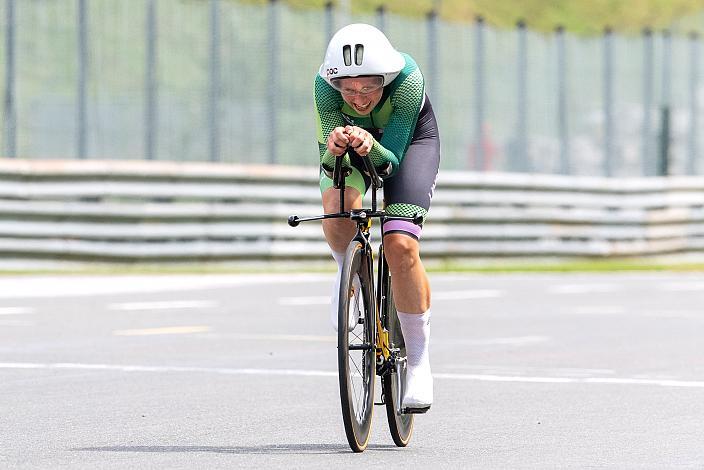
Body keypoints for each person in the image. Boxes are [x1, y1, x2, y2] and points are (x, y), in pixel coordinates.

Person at [314, 23, 440, 412]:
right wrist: (335, 148)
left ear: (384, 78)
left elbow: (391, 163)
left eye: (368, 88)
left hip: (408, 143)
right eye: (349, 91)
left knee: (399, 246)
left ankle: (418, 363)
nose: (359, 97)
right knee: (337, 202)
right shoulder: (323, 87)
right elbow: (325, 159)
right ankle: (345, 272)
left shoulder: (407, 80)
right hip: (356, 141)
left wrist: (372, 144)